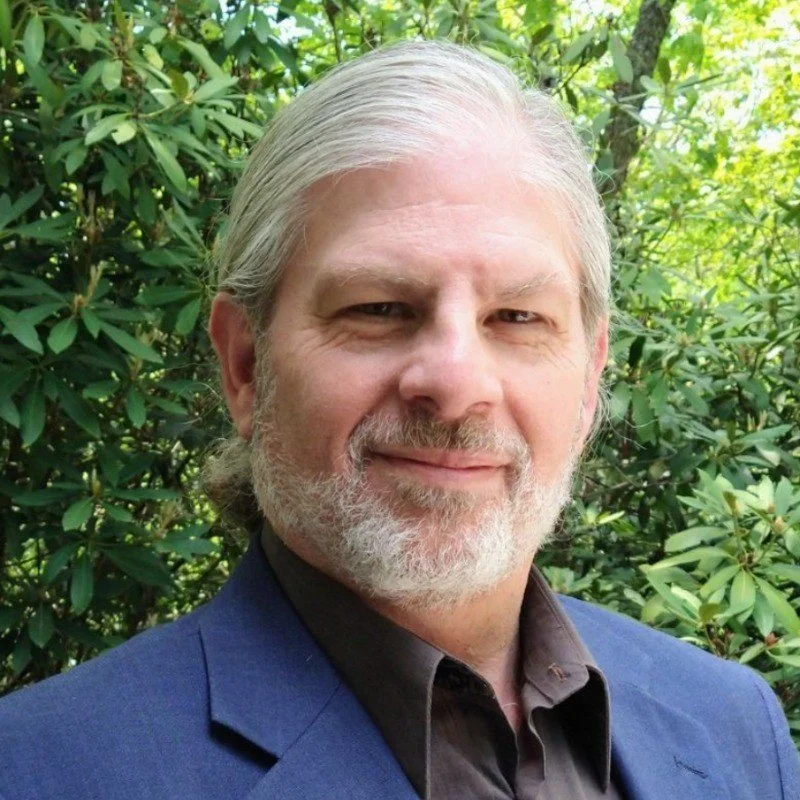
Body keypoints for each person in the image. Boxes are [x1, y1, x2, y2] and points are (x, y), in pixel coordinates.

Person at [0, 40, 797, 800]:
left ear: (589, 379)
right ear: (246, 365)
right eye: (379, 308)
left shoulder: (736, 728)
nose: (455, 384)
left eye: (518, 317)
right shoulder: (40, 770)